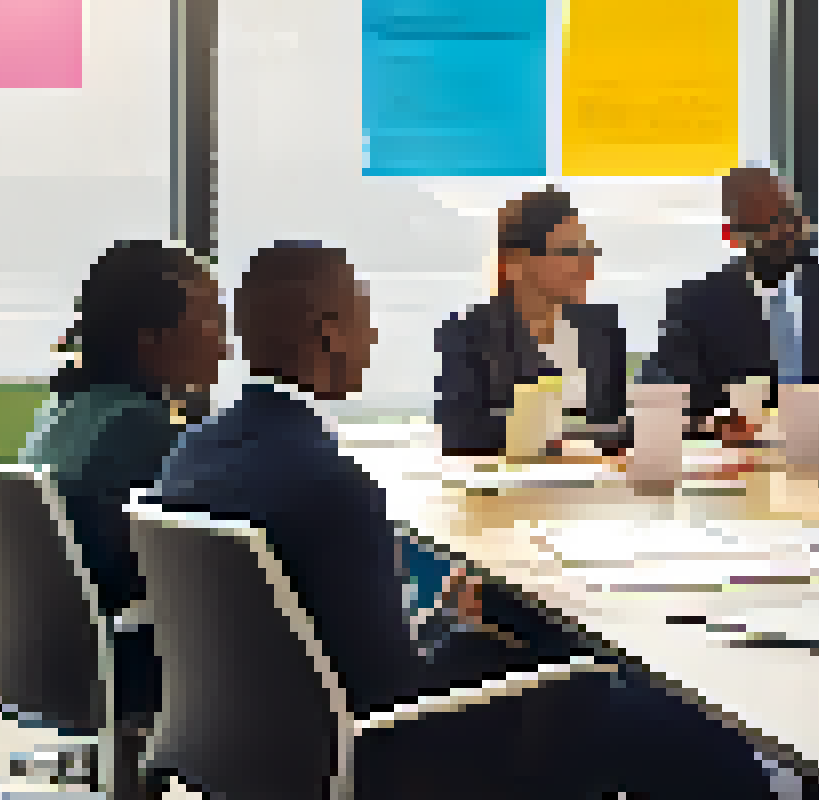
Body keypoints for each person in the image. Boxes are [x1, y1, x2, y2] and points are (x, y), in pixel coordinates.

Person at [152, 242, 781, 798]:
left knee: (528, 636)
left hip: (257, 754)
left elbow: (323, 640)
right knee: (681, 718)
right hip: (389, 759)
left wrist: (450, 620)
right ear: (330, 334)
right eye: (364, 315)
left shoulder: (194, 453)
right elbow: (395, 692)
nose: (374, 337)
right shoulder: (330, 482)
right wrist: (460, 631)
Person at [19, 239, 226, 722]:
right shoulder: (139, 431)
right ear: (151, 338)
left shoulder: (66, 411)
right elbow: (207, 566)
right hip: (124, 657)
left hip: (55, 649)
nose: (224, 344)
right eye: (211, 321)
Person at [642, 165, 819, 442]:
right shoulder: (695, 305)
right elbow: (662, 402)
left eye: (789, 216)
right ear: (735, 233)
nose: (783, 231)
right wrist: (714, 425)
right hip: (740, 462)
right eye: (764, 222)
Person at [435, 187, 628, 456]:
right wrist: (563, 441)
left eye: (589, 252)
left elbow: (616, 428)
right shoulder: (469, 335)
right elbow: (460, 435)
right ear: (517, 262)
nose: (587, 266)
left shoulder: (602, 330)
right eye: (570, 252)